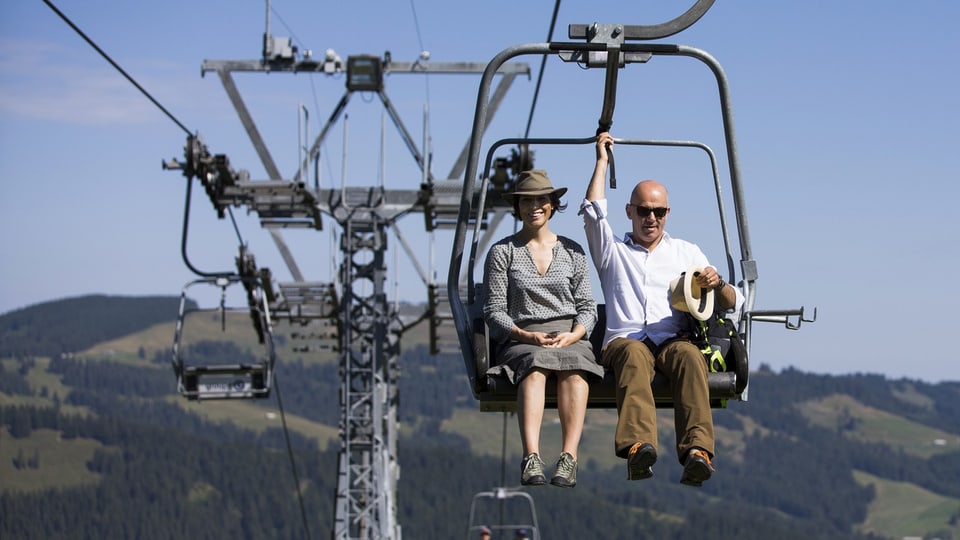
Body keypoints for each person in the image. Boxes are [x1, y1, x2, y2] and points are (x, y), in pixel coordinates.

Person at [579, 132, 744, 487]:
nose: (650, 218)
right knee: (635, 355)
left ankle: (698, 452)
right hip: (626, 340)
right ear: (630, 212)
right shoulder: (612, 253)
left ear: (667, 213)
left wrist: (718, 284)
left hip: (672, 340)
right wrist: (602, 162)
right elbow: (593, 213)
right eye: (643, 211)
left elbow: (734, 301)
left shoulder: (686, 252)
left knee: (688, 356)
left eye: (658, 211)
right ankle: (639, 446)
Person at [483, 169, 602, 489]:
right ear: (518, 208)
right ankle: (531, 456)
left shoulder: (573, 251)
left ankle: (568, 457)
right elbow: (494, 310)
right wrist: (527, 336)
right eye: (527, 201)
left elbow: (587, 307)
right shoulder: (503, 252)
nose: (534, 206)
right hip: (523, 335)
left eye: (541, 200)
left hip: (568, 333)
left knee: (575, 369)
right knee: (534, 368)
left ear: (552, 205)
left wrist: (574, 335)